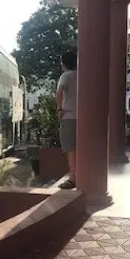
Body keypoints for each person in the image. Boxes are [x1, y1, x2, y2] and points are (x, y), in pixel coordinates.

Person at [56, 51, 77, 189]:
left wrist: (59, 109)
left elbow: (59, 92)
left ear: (64, 63)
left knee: (70, 148)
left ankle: (73, 178)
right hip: (84, 117)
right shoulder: (82, 75)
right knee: (81, 147)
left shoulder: (66, 76)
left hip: (69, 116)